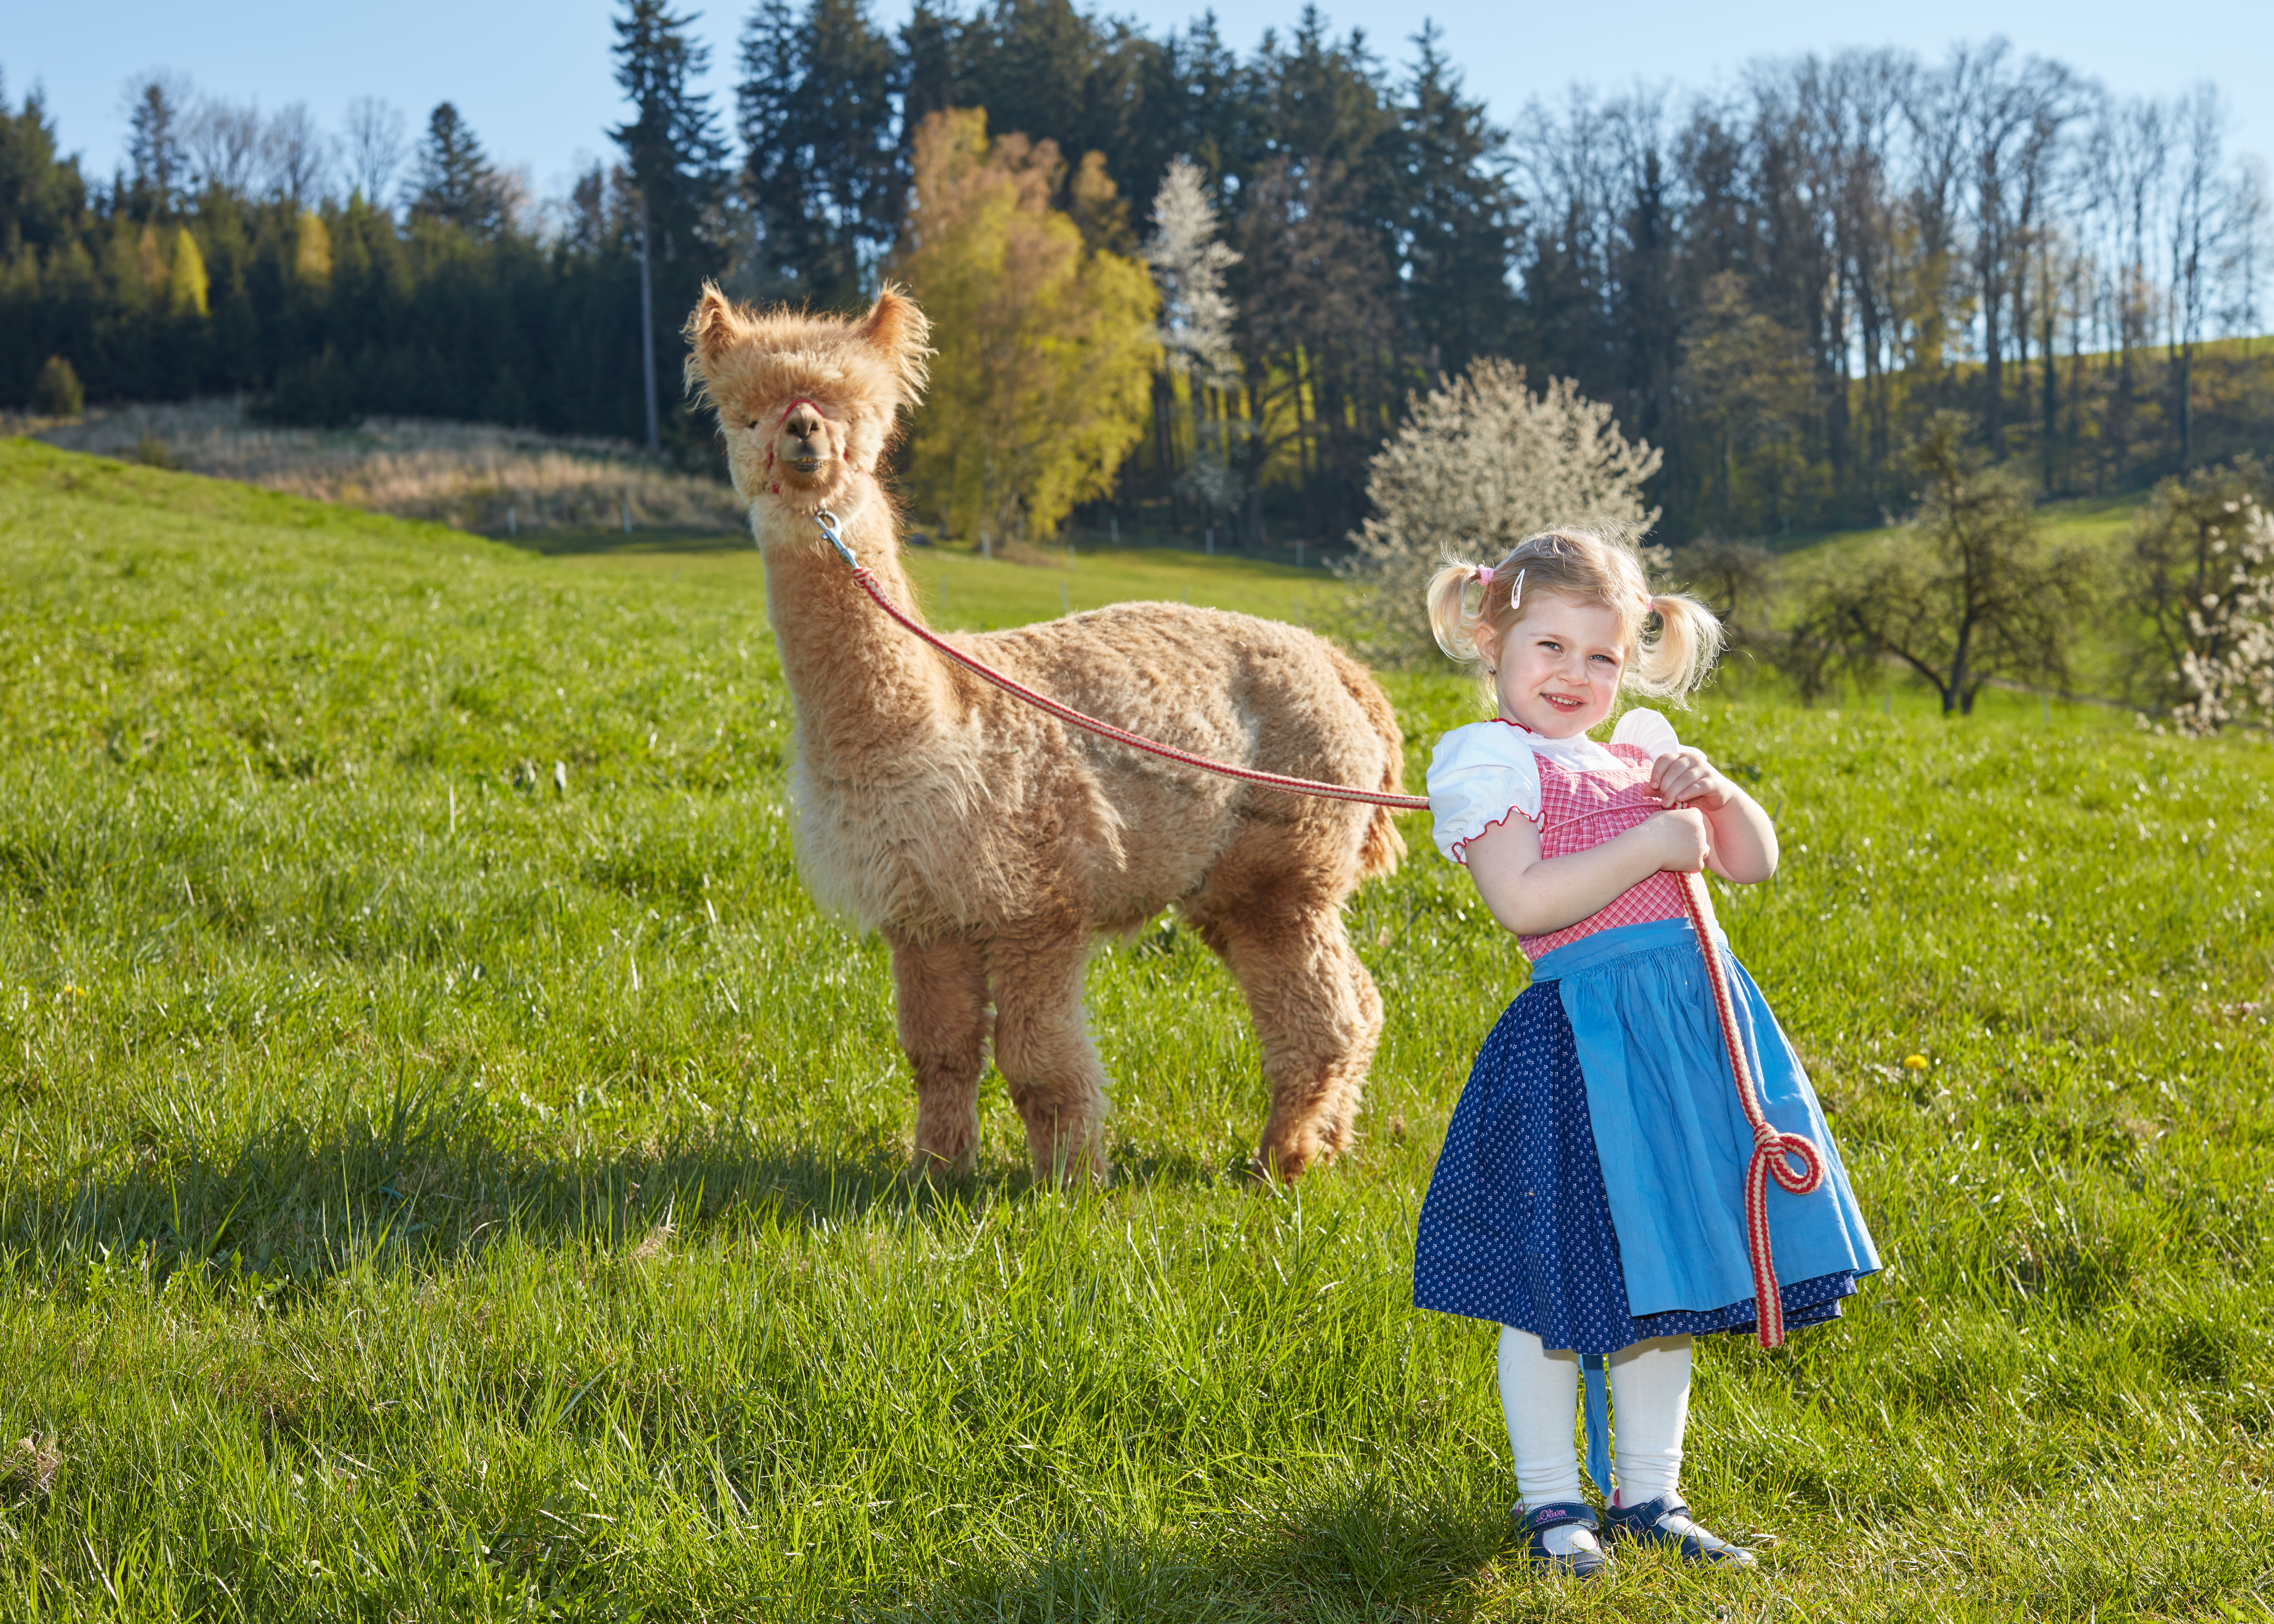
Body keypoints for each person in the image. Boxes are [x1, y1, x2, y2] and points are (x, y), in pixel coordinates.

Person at [1414, 527, 1878, 1579]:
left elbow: (1753, 863)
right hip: (1583, 1048)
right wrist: (1652, 844)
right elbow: (1522, 900)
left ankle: (1650, 1495)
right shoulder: (1491, 763)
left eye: (1603, 656)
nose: (1575, 675)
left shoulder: (1642, 754)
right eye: (1550, 647)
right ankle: (1551, 1502)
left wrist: (1713, 795)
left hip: (1687, 1046)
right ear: (1492, 641)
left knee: (1664, 1278)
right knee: (1552, 1290)